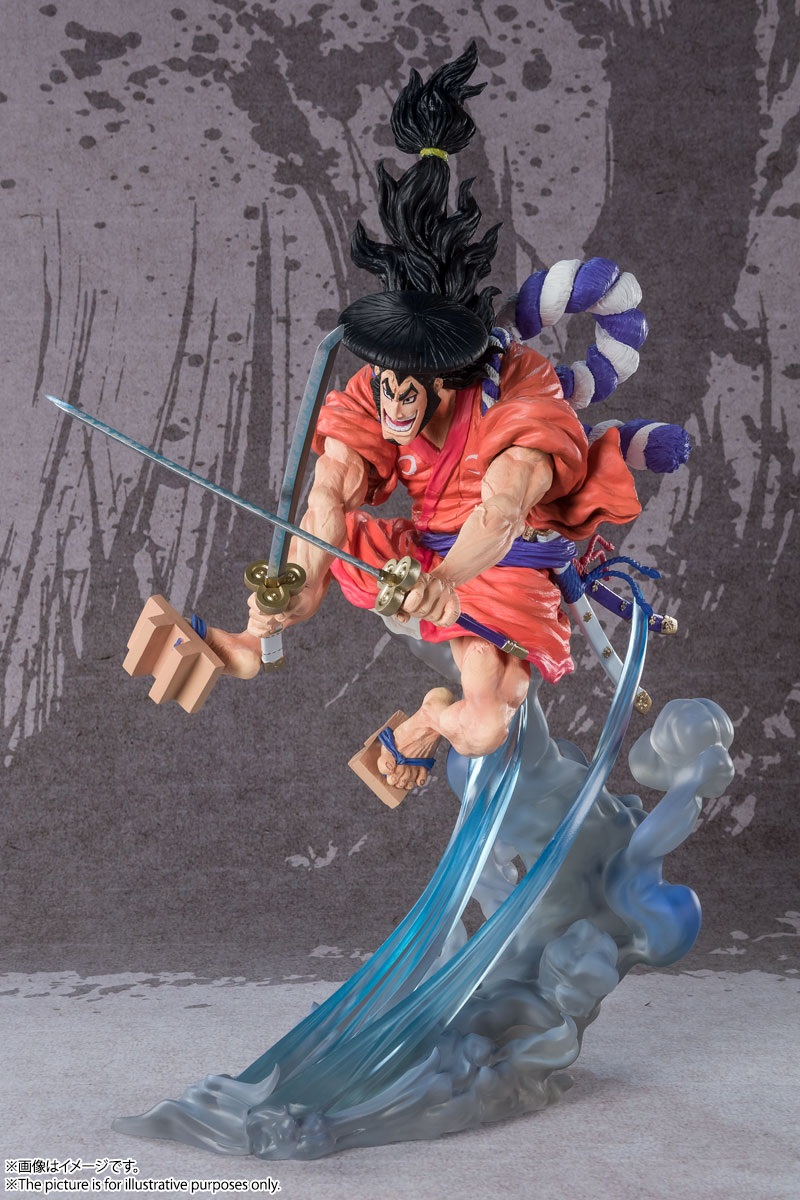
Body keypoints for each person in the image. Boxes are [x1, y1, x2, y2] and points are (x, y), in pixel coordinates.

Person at [205, 45, 640, 790]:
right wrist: (300, 585)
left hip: (500, 564)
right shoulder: (375, 387)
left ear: (449, 370)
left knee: (486, 723)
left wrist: (448, 578)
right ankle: (247, 638)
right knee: (313, 551)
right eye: (386, 379)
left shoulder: (517, 391)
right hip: (413, 557)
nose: (393, 400)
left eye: (414, 385)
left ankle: (427, 720)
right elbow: (329, 494)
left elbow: (503, 511)